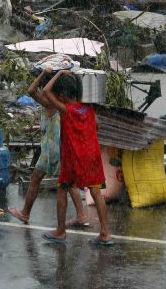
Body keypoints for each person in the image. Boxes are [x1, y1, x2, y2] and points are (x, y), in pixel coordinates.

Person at [37, 69, 113, 246]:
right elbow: (96, 127)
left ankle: (60, 231)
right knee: (96, 192)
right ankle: (105, 233)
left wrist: (59, 73)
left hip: (73, 157)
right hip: (92, 155)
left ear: (63, 95)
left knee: (62, 190)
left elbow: (46, 91)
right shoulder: (89, 110)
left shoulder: (66, 110)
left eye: (59, 94)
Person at [9, 71, 90, 228]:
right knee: (43, 179)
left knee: (63, 183)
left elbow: (31, 90)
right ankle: (26, 212)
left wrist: (46, 73)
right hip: (55, 148)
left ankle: (75, 217)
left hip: (52, 150)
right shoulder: (64, 103)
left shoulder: (50, 103)